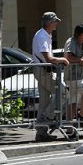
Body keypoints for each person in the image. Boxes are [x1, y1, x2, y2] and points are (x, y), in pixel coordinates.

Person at [31, 12, 69, 142]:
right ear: (50, 22)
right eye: (55, 21)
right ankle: (48, 117)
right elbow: (48, 58)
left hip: (43, 70)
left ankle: (41, 133)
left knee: (44, 101)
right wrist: (62, 59)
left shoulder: (45, 34)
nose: (57, 23)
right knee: (63, 92)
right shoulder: (42, 36)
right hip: (42, 70)